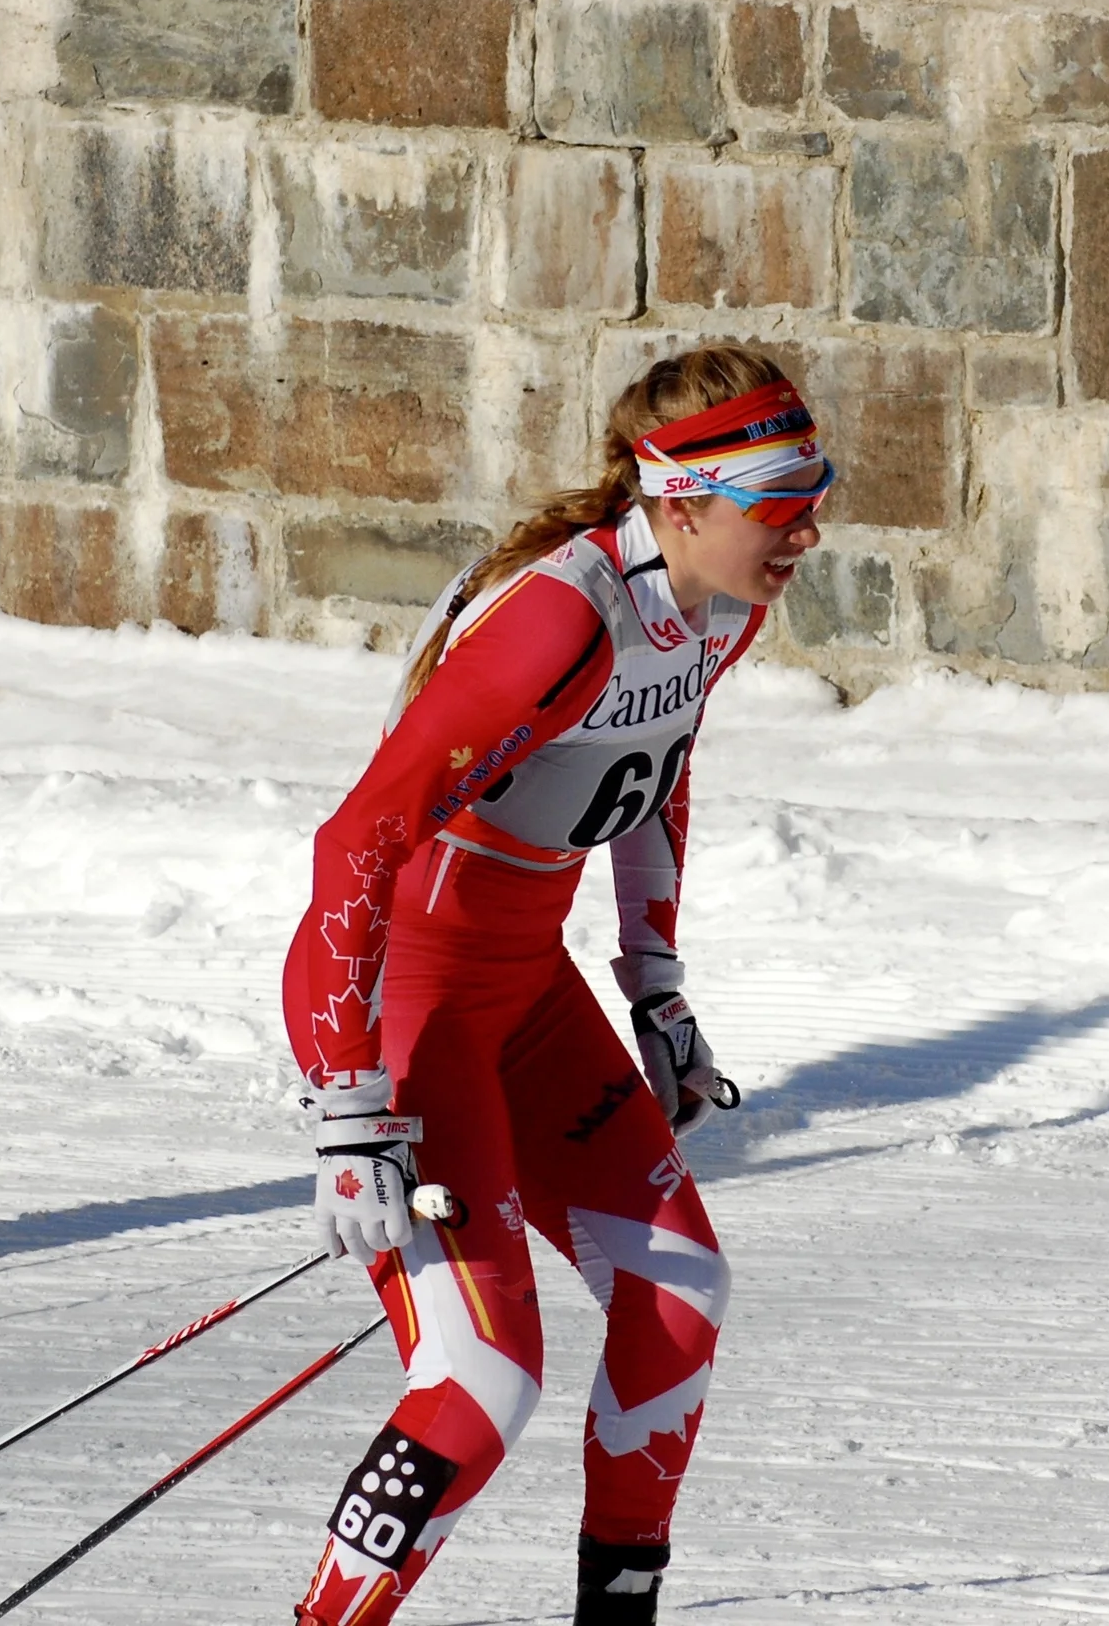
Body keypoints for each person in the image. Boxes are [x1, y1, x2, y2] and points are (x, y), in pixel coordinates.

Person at [280, 346, 833, 1626]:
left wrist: (657, 990)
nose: (807, 530)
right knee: (480, 1380)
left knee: (678, 1296)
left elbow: (659, 772)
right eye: (779, 502)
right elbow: (354, 844)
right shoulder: (561, 618)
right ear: (681, 501)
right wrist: (351, 1109)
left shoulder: (719, 605)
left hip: (526, 990)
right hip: (404, 1004)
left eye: (818, 493)